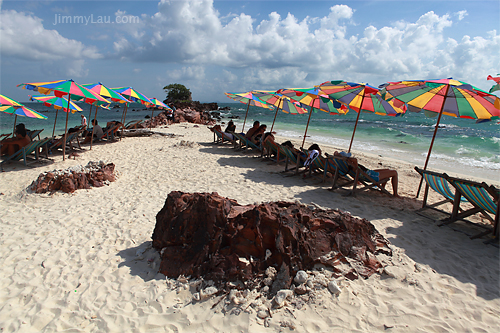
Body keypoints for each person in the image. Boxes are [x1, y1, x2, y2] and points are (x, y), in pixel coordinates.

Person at [334, 151, 399, 196]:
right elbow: (355, 159)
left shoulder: (347, 165)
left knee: (387, 170)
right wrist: (347, 158)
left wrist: (339, 155)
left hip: (368, 173)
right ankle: (395, 194)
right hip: (370, 175)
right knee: (394, 173)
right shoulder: (353, 166)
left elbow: (336, 153)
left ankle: (382, 190)